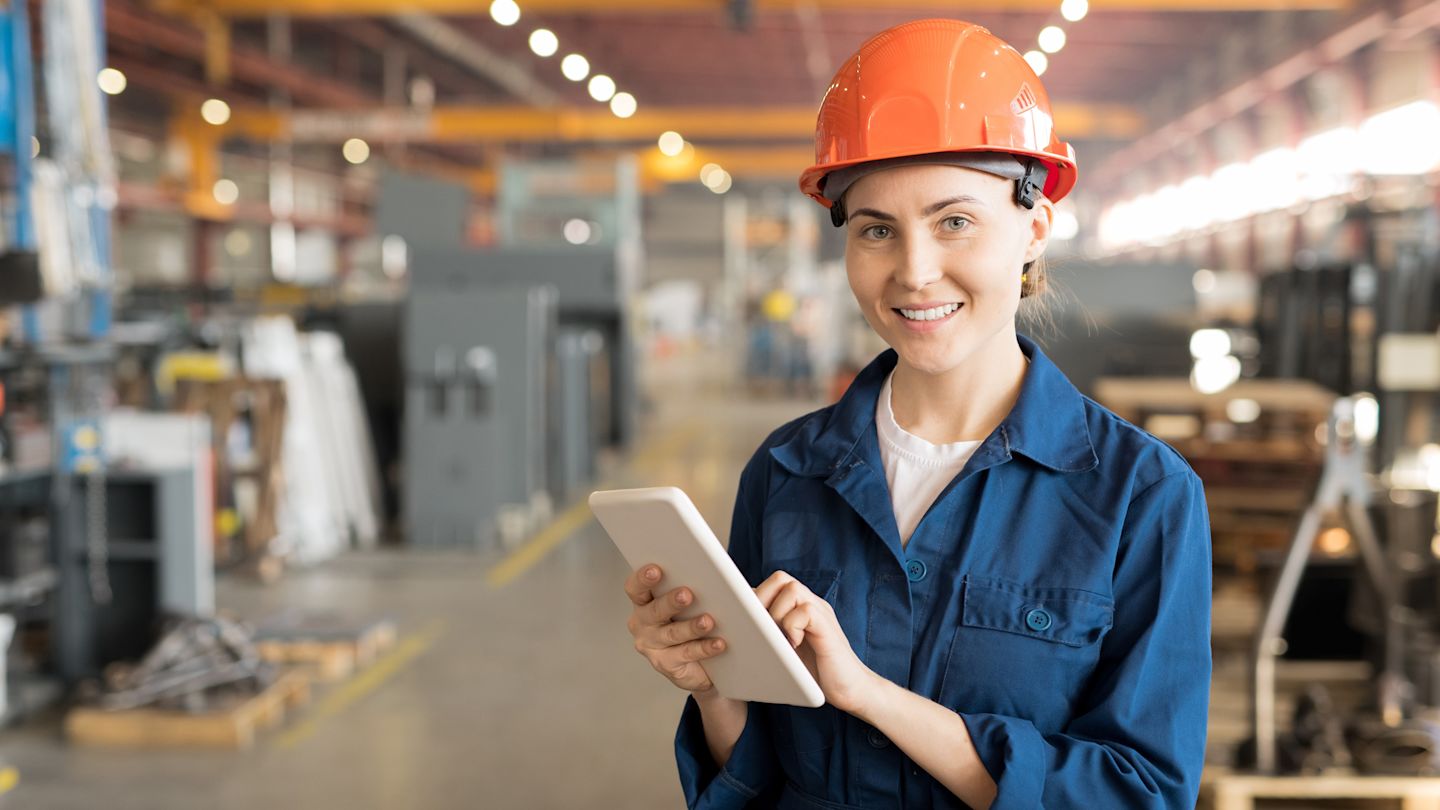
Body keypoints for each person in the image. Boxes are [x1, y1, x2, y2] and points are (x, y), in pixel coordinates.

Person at [622, 18, 1211, 809]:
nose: (915, 272)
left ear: (1034, 229)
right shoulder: (787, 472)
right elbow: (758, 775)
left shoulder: (1141, 496)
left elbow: (1140, 793)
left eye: (954, 222)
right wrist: (713, 686)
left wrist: (870, 696)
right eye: (877, 230)